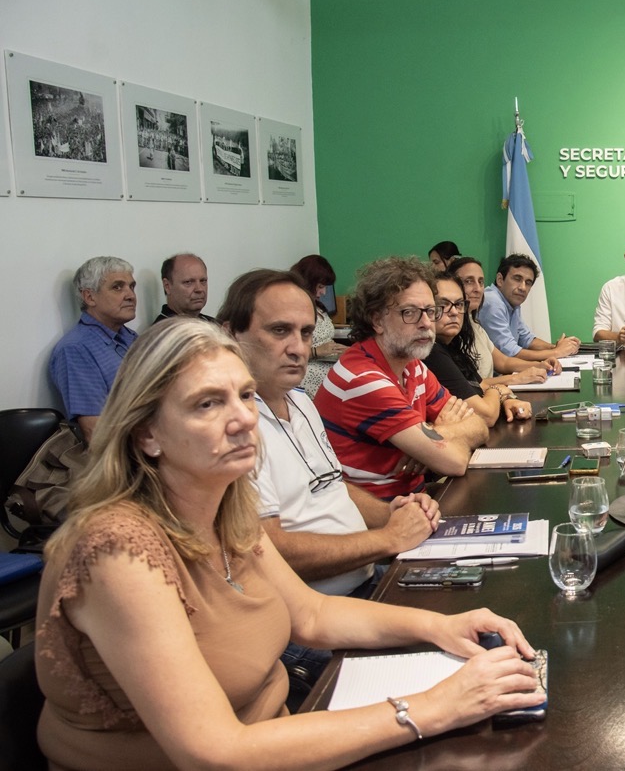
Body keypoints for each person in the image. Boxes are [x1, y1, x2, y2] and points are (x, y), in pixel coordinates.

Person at [34, 318, 543, 770]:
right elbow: (215, 753)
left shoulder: (223, 504)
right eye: (208, 403)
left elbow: (313, 616)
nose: (243, 419)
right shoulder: (117, 551)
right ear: (147, 434)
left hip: (281, 734)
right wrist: (432, 709)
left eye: (245, 395)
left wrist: (442, 626)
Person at [219, 269, 442, 707]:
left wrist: (397, 513)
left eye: (305, 333)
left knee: (479, 622)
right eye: (279, 331)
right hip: (306, 620)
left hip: (364, 582)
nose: (298, 348)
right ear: (230, 333)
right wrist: (387, 539)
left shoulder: (301, 401)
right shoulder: (235, 429)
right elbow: (272, 549)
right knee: (439, 682)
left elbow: (334, 487)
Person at [314, 256, 489, 498]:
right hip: (380, 514)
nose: (426, 323)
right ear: (377, 320)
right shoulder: (364, 379)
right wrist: (435, 442)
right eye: (410, 313)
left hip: (414, 500)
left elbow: (479, 425)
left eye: (430, 311)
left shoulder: (412, 365)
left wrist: (438, 433)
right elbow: (455, 462)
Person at [423, 271, 534, 427]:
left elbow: (480, 385)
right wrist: (498, 390)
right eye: (443, 305)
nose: (454, 312)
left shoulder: (453, 345)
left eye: (459, 304)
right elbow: (486, 415)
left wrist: (506, 398)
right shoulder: (431, 352)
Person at [49, 256, 139, 442]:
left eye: (131, 286)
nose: (130, 295)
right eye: (117, 287)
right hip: (128, 450)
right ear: (89, 297)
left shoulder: (132, 337)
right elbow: (95, 431)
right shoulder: (76, 350)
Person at [448, 256, 559, 390]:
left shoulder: (473, 323)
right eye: (468, 281)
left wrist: (541, 365)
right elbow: (469, 384)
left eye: (481, 282)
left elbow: (503, 361)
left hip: (491, 393)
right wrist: (517, 377)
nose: (477, 289)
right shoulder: (451, 330)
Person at [478, 253, 581, 362]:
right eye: (517, 279)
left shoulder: (512, 303)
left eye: (528, 283)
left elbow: (527, 339)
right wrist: (557, 352)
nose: (523, 288)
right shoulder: (492, 301)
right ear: (500, 279)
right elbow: (510, 352)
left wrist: (558, 347)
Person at [290, 253, 348, 397]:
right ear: (307, 282)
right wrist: (316, 351)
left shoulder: (317, 306)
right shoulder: (294, 310)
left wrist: (344, 350)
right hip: (310, 373)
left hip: (330, 366)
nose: (324, 292)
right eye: (321, 286)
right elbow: (288, 355)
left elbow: (326, 343)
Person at [153, 252, 215, 323]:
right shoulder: (163, 329)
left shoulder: (215, 324)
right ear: (167, 286)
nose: (199, 289)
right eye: (188, 282)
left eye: (203, 281)